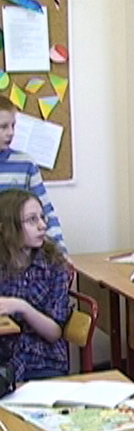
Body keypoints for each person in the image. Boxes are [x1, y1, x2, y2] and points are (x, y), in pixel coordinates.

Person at [0, 189, 71, 381]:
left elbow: (54, 332)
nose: (43, 226)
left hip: (42, 361)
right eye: (32, 220)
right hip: (4, 360)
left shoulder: (54, 265)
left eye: (42, 217)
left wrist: (21, 307)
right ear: (7, 227)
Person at [0, 96, 67, 253]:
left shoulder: (25, 164)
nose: (11, 133)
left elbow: (46, 212)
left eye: (13, 126)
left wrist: (61, 252)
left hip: (20, 256)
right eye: (3, 127)